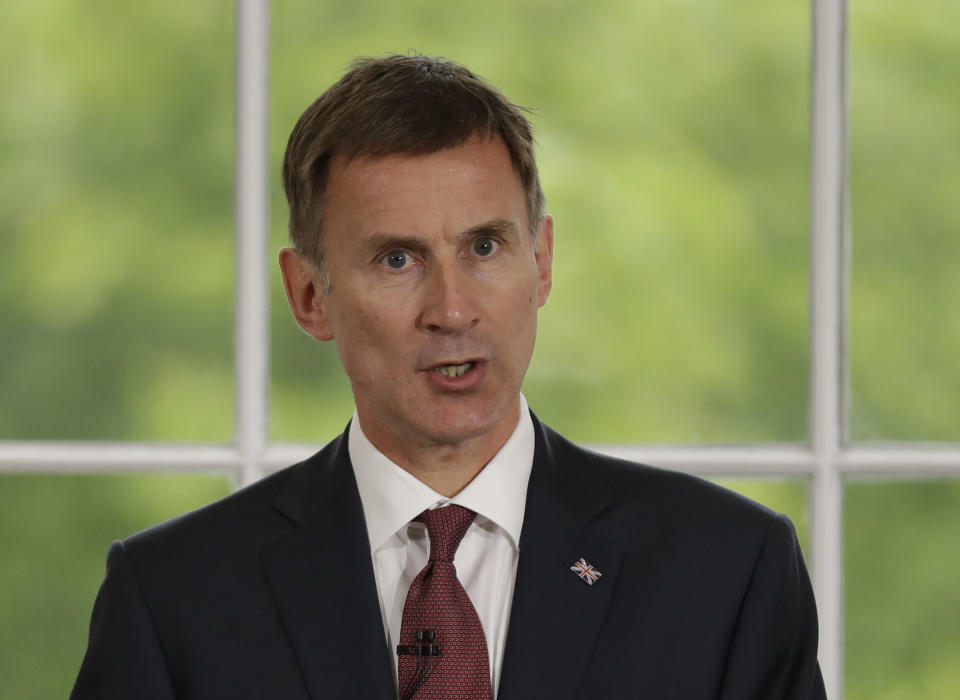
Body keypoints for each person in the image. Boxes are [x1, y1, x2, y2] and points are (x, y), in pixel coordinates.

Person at [71, 54, 827, 699]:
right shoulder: (173, 597)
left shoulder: (728, 572)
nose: (452, 308)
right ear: (309, 295)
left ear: (542, 262)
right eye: (397, 259)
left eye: (486, 247)